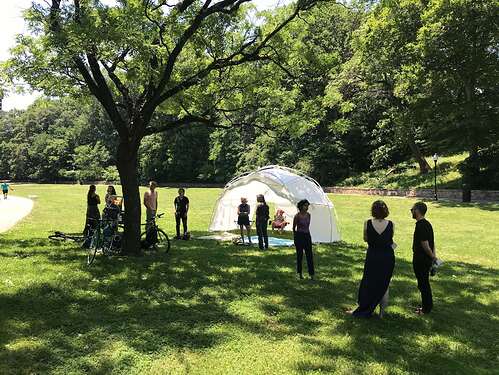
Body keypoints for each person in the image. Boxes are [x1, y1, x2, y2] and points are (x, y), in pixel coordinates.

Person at [350, 200, 395, 318]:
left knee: (369, 282)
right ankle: (382, 313)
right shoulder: (391, 224)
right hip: (387, 257)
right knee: (384, 284)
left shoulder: (367, 223)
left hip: (373, 255)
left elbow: (365, 238)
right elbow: (390, 239)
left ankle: (365, 307)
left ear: (373, 210)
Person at [411, 201, 436, 315]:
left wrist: (433, 257)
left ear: (417, 211)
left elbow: (425, 245)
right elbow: (432, 243)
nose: (411, 211)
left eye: (412, 209)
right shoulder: (427, 224)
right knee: (423, 283)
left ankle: (426, 309)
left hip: (421, 259)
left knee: (423, 284)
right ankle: (426, 306)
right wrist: (433, 256)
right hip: (425, 259)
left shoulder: (421, 225)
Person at [293, 199, 315, 280]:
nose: (307, 207)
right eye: (305, 205)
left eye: (307, 205)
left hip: (307, 236)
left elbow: (307, 226)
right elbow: (294, 228)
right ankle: (300, 273)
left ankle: (311, 274)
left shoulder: (309, 215)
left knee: (309, 255)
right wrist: (296, 238)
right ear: (301, 206)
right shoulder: (297, 216)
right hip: (299, 236)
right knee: (300, 255)